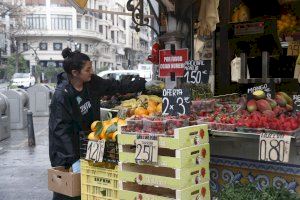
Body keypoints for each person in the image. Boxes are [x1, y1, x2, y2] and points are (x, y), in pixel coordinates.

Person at [49, 48, 145, 200]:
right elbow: (60, 131)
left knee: (88, 191)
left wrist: (136, 85)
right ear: (75, 73)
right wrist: (73, 159)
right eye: (88, 69)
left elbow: (112, 86)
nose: (91, 72)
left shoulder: (91, 82)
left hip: (90, 144)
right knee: (69, 193)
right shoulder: (63, 95)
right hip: (67, 152)